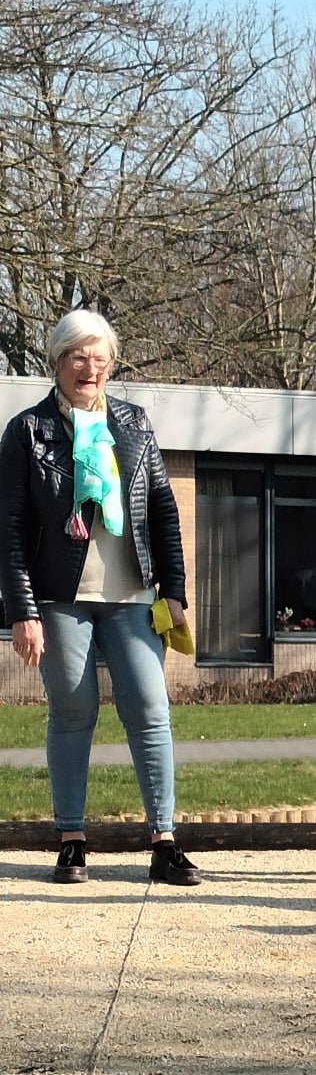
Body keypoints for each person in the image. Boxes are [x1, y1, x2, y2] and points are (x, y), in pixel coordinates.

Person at [0, 309, 199, 886]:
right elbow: (8, 530)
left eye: (98, 357)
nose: (88, 367)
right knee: (72, 711)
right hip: (59, 599)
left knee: (149, 706)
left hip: (133, 595)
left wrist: (176, 590)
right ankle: (71, 841)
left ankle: (163, 840)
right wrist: (23, 611)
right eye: (76, 356)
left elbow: (162, 509)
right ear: (57, 363)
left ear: (111, 363)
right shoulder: (27, 432)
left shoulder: (134, 425)